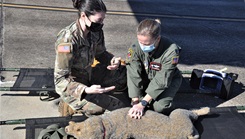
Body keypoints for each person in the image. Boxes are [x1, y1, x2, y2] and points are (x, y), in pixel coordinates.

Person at [54, 0, 128, 116]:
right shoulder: (67, 40)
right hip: (74, 86)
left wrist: (112, 60)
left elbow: (101, 53)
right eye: (99, 20)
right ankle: (69, 106)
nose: (101, 23)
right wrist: (86, 90)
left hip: (90, 74)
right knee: (107, 108)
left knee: (123, 72)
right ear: (83, 16)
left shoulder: (95, 31)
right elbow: (60, 80)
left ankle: (95, 94)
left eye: (103, 20)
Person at [126, 19, 183, 119]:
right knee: (132, 100)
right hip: (147, 77)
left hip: (168, 79)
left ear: (158, 39)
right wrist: (135, 101)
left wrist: (143, 103)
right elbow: (133, 73)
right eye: (140, 42)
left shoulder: (171, 50)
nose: (143, 46)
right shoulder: (135, 47)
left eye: (147, 44)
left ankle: (174, 106)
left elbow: (162, 80)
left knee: (160, 107)